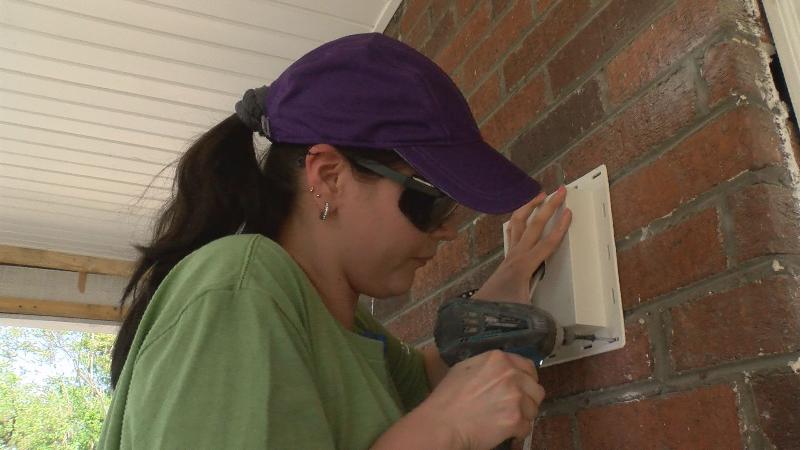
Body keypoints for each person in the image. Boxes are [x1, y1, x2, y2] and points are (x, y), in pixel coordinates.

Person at [98, 32, 571, 449]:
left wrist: (509, 281)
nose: (447, 228)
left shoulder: (346, 327)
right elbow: (441, 412)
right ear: (329, 177)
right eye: (432, 202)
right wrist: (447, 430)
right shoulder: (238, 289)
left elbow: (425, 383)